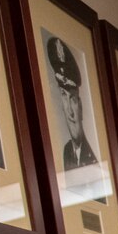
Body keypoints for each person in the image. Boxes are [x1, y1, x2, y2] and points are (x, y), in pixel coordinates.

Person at [44, 36, 98, 173]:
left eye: (73, 99)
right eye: (64, 96)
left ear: (81, 106)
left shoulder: (94, 163)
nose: (70, 112)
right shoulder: (67, 151)